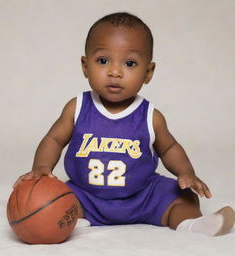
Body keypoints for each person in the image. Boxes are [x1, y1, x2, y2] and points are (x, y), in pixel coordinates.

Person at [13, 12, 235, 236]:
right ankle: (70, 220)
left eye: (130, 63)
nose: (115, 72)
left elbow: (169, 148)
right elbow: (53, 139)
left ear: (148, 72)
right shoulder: (77, 107)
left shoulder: (150, 116)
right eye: (103, 60)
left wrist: (186, 172)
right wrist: (41, 168)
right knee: (53, 197)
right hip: (86, 196)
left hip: (143, 196)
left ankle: (192, 225)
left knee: (182, 195)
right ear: (85, 65)